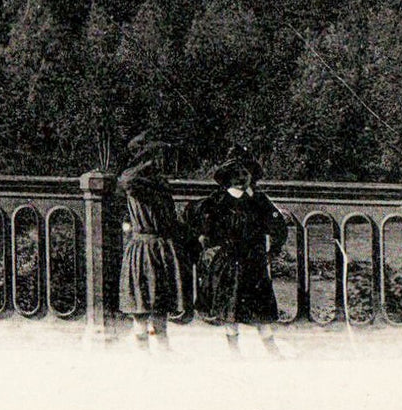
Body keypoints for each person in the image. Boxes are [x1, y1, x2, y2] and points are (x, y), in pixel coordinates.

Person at [185, 146, 290, 357]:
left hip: (254, 263)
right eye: (236, 173)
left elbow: (278, 226)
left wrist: (274, 250)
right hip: (228, 263)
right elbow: (194, 218)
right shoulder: (218, 201)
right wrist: (204, 246)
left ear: (251, 175)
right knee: (230, 309)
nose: (241, 178)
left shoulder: (259, 201)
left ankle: (272, 350)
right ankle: (234, 351)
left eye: (245, 172)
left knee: (260, 309)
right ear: (227, 177)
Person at [117, 136, 192, 352]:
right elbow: (126, 180)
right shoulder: (136, 183)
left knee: (160, 304)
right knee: (141, 305)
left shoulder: (159, 184)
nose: (162, 162)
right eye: (157, 158)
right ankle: (144, 353)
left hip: (160, 247)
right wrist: (145, 162)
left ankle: (163, 348)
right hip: (143, 247)